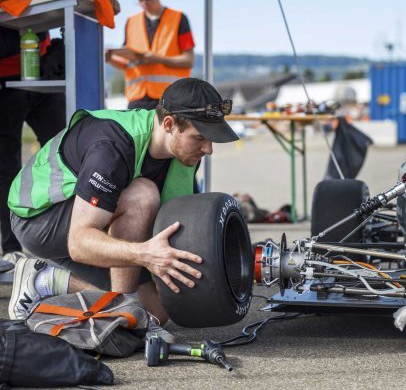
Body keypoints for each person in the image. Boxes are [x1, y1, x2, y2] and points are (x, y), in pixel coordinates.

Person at [7, 78, 237, 340]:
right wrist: (143, 254)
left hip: (90, 218)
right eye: (200, 138)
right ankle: (119, 313)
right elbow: (80, 242)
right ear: (170, 124)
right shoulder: (112, 147)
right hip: (38, 218)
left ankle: (47, 281)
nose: (208, 149)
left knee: (158, 312)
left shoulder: (184, 152)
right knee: (142, 195)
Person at [0, 0, 66, 272]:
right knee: (6, 164)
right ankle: (11, 249)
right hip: (5, 79)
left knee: (64, 155)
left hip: (44, 69)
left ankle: (65, 242)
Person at [105, 0, 195, 110]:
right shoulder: (131, 22)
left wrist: (158, 59)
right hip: (136, 100)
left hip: (170, 99)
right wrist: (110, 59)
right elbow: (128, 65)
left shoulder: (179, 19)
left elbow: (189, 60)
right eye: (140, 0)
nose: (144, 3)